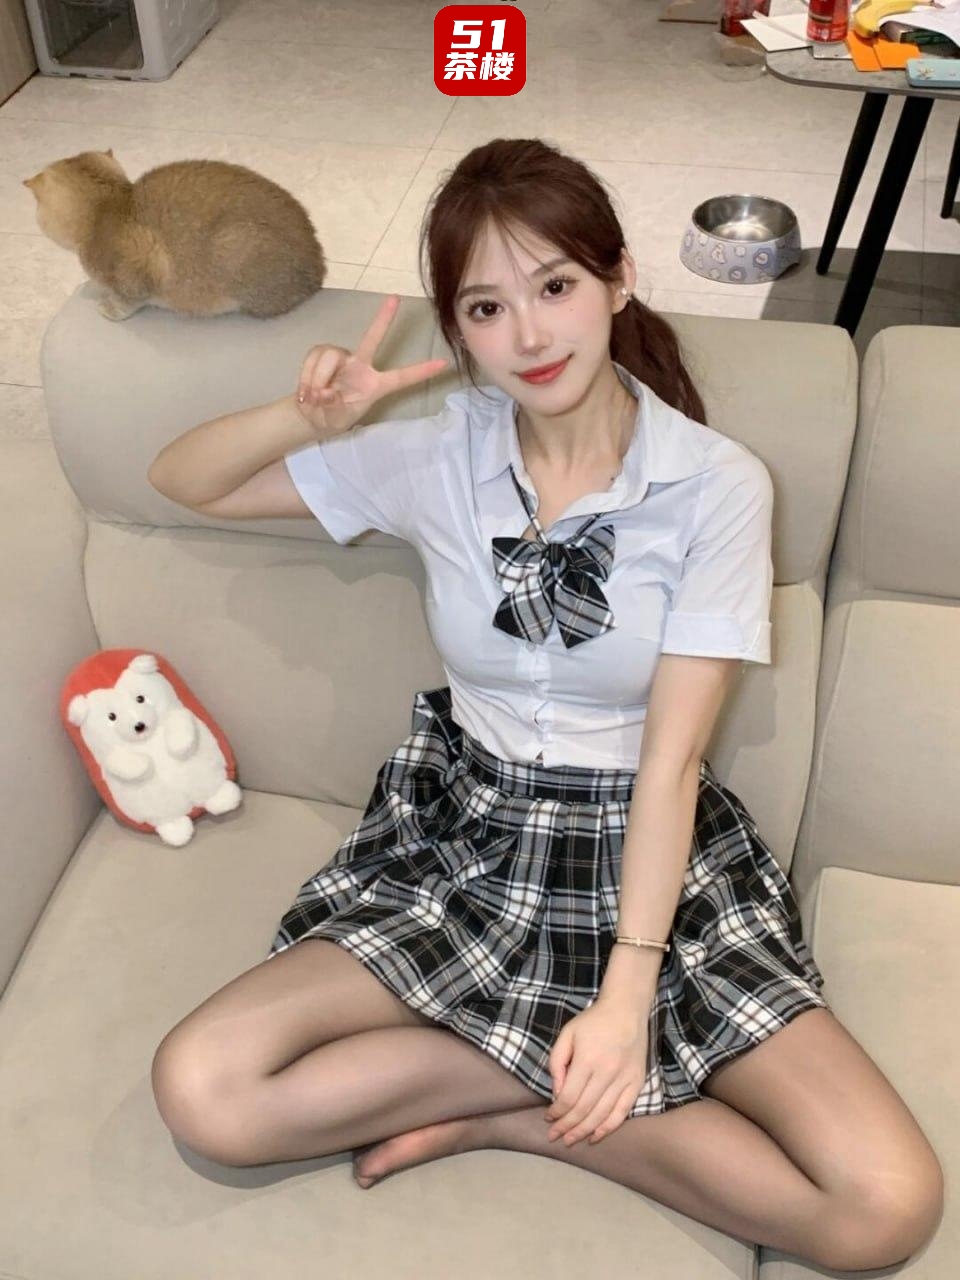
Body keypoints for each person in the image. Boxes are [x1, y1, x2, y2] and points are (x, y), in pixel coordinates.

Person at [147, 138, 943, 1269]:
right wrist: (309, 417)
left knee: (886, 1206)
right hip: (466, 836)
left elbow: (672, 762)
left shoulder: (715, 485)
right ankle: (551, 1075)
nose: (528, 336)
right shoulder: (438, 455)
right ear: (458, 331)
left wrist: (626, 998)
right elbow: (185, 480)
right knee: (205, 1090)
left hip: (647, 847)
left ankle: (510, 1114)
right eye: (486, 307)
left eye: (556, 285)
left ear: (618, 280)